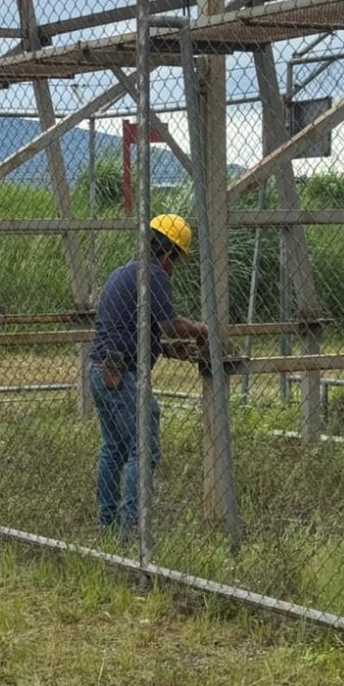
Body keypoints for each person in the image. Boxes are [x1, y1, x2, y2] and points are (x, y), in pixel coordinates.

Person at [88, 213, 211, 536]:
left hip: (101, 370)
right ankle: (132, 532)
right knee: (144, 449)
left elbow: (139, 329)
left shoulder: (124, 272)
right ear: (167, 252)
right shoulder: (153, 274)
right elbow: (170, 325)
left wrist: (169, 350)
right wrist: (201, 330)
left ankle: (108, 524)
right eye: (176, 260)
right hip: (119, 372)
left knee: (114, 447)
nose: (174, 268)